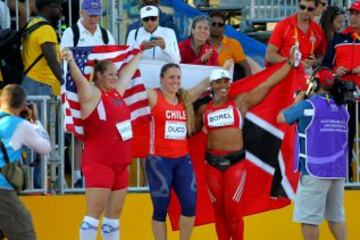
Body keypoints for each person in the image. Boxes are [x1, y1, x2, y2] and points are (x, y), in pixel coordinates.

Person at [198, 48, 296, 240]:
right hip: (212, 165)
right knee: (218, 211)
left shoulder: (240, 102)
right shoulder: (203, 109)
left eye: (226, 81)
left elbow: (268, 84)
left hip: (235, 164)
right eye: (218, 82)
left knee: (233, 209)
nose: (223, 86)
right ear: (211, 86)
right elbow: (185, 109)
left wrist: (290, 63)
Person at [61, 48, 143, 240]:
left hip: (121, 165)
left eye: (116, 74)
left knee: (114, 217)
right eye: (111, 74)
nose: (116, 77)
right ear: (98, 75)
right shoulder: (92, 94)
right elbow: (80, 79)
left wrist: (140, 51)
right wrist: (71, 61)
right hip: (100, 164)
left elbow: (128, 72)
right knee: (93, 214)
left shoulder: (116, 94)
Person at [277, 68, 348, 240]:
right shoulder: (341, 108)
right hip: (337, 172)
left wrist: (297, 100)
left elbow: (281, 117)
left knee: (309, 220)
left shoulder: (307, 106)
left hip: (314, 171)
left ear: (314, 84)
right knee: (336, 217)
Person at [145, 63, 210, 240]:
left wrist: (226, 68)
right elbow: (133, 86)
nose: (176, 81)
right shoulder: (153, 96)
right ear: (162, 79)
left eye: (178, 77)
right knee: (160, 209)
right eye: (171, 77)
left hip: (182, 161)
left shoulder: (185, 99)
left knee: (190, 205)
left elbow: (205, 84)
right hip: (158, 162)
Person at [61, 0, 115, 188]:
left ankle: (95, 171)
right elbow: (65, 59)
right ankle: (77, 175)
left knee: (99, 133)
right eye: (91, 14)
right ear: (82, 13)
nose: (94, 18)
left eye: (97, 14)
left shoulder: (106, 35)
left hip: (99, 92)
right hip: (76, 89)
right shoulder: (71, 33)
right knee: (77, 133)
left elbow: (112, 61)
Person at [0, 84, 51, 240]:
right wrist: (36, 121)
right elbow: (45, 148)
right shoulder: (21, 125)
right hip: (2, 189)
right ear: (23, 105)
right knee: (24, 231)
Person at [322, 0, 360, 182]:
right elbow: (325, 67)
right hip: (345, 97)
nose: (353, 17)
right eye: (351, 13)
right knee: (346, 136)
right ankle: (347, 178)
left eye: (357, 14)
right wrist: (335, 72)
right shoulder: (338, 38)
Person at [266, 0, 327, 91]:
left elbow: (321, 55)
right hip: (284, 77)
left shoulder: (317, 29)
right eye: (302, 7)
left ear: (315, 10)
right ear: (297, 6)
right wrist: (295, 62)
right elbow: (270, 56)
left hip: (307, 80)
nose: (305, 11)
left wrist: (315, 61)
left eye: (310, 9)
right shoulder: (283, 25)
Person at [22, 0, 63, 97]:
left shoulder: (32, 23)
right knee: (42, 113)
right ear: (46, 9)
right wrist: (64, 81)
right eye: (56, 6)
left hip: (30, 82)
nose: (60, 9)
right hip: (39, 84)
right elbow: (51, 61)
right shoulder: (46, 29)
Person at [209, 11, 252, 80]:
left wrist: (248, 86)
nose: (216, 27)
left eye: (220, 24)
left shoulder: (233, 44)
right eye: (213, 24)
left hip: (227, 85)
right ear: (208, 25)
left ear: (224, 27)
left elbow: (246, 69)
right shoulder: (202, 43)